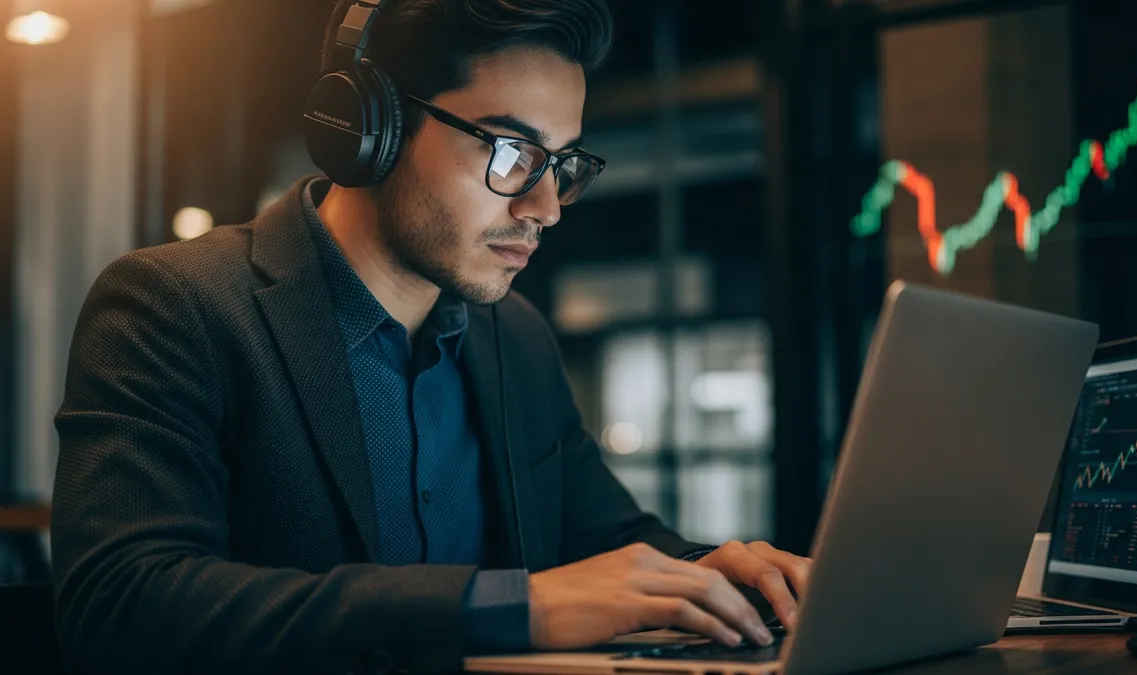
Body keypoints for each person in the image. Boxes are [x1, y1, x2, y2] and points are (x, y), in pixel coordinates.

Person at [50, 1, 811, 673]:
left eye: (563, 162)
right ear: (369, 128)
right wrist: (507, 606)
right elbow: (119, 606)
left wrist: (718, 569)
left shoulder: (515, 337)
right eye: (513, 152)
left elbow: (605, 537)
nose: (548, 206)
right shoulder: (176, 303)